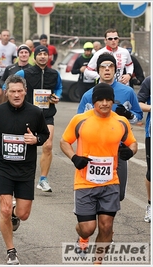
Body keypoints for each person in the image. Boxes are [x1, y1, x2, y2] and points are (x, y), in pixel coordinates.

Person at [60, 83, 137, 264]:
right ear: (94, 101)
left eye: (108, 100)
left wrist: (130, 152)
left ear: (112, 101)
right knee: (88, 228)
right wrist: (74, 158)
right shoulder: (80, 120)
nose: (104, 103)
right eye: (100, 100)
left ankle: (97, 262)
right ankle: (83, 238)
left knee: (106, 226)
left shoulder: (121, 121)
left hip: (110, 182)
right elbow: (64, 142)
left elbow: (132, 143)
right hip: (85, 182)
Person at [0, 75, 50, 264]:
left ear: (25, 91)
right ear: (6, 92)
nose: (16, 95)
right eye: (12, 91)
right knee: (4, 209)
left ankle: (15, 215)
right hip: (4, 167)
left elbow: (44, 133)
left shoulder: (35, 113)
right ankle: (11, 251)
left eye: (20, 91)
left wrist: (36, 140)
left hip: (26, 169)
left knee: (23, 214)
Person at [77, 53, 143, 201]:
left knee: (118, 195)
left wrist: (128, 115)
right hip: (93, 152)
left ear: (115, 70)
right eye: (103, 67)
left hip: (118, 150)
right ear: (98, 70)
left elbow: (138, 116)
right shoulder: (88, 95)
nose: (107, 70)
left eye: (111, 66)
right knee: (93, 196)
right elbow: (78, 124)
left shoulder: (128, 92)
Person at [5, 45, 62, 193]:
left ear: (48, 57)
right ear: (34, 57)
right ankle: (17, 177)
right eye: (40, 54)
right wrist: (16, 98)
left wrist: (57, 96)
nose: (42, 56)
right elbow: (8, 84)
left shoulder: (54, 74)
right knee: (23, 146)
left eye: (45, 54)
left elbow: (59, 88)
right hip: (28, 114)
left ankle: (43, 179)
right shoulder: (25, 72)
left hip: (47, 114)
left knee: (48, 145)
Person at [137, 76, 151, 223]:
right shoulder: (149, 81)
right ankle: (150, 205)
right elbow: (139, 103)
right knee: (151, 172)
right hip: (151, 133)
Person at [0, 29, 18, 108]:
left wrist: (14, 65)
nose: (6, 37)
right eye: (4, 35)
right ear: (1, 36)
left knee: (5, 92)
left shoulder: (13, 46)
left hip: (8, 72)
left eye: (7, 35)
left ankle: (2, 106)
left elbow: (14, 58)